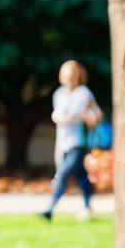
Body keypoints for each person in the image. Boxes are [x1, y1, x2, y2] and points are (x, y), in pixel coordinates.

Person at [42, 59, 104, 221]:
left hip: (79, 142)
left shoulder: (84, 93)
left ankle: (50, 209)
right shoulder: (59, 94)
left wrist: (84, 115)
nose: (71, 79)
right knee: (80, 175)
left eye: (74, 76)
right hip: (63, 142)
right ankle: (87, 206)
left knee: (63, 173)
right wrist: (68, 117)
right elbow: (57, 116)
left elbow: (96, 116)